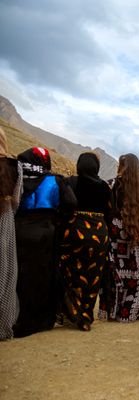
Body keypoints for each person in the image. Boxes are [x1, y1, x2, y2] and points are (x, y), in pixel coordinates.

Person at [13, 147, 76, 337]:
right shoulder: (55, 181)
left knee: (20, 275)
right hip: (46, 232)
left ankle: (17, 318)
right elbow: (70, 203)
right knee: (43, 275)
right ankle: (41, 319)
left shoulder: (16, 178)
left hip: (18, 229)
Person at [99, 153, 139, 322]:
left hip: (116, 233)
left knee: (117, 272)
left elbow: (107, 211)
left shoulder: (111, 184)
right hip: (138, 232)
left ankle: (114, 310)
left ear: (121, 166)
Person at [58, 152, 111, 331]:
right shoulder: (105, 186)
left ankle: (73, 312)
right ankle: (86, 317)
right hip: (99, 235)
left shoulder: (70, 182)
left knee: (70, 272)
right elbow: (110, 212)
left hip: (75, 232)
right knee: (93, 276)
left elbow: (63, 206)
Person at [0, 127, 21, 339]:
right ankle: (4, 326)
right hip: (5, 219)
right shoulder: (14, 166)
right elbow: (16, 200)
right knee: (6, 273)